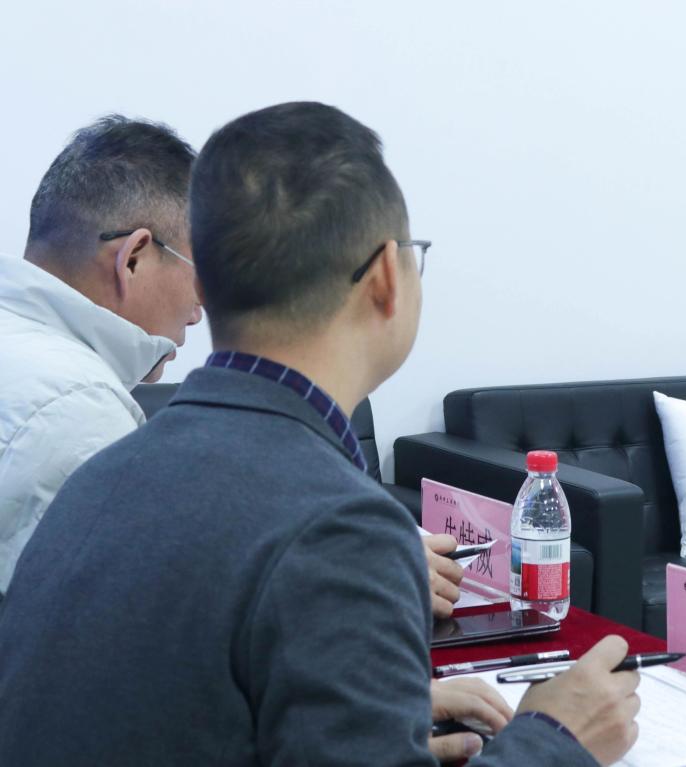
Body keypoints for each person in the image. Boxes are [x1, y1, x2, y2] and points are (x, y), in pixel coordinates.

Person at [0, 102, 641, 766]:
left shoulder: (108, 468)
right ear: (386, 277)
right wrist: (557, 737)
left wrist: (376, 710)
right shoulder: (339, 527)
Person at [0, 115, 203, 595]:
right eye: (203, 274)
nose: (199, 312)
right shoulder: (79, 410)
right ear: (132, 258)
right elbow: (110, 625)